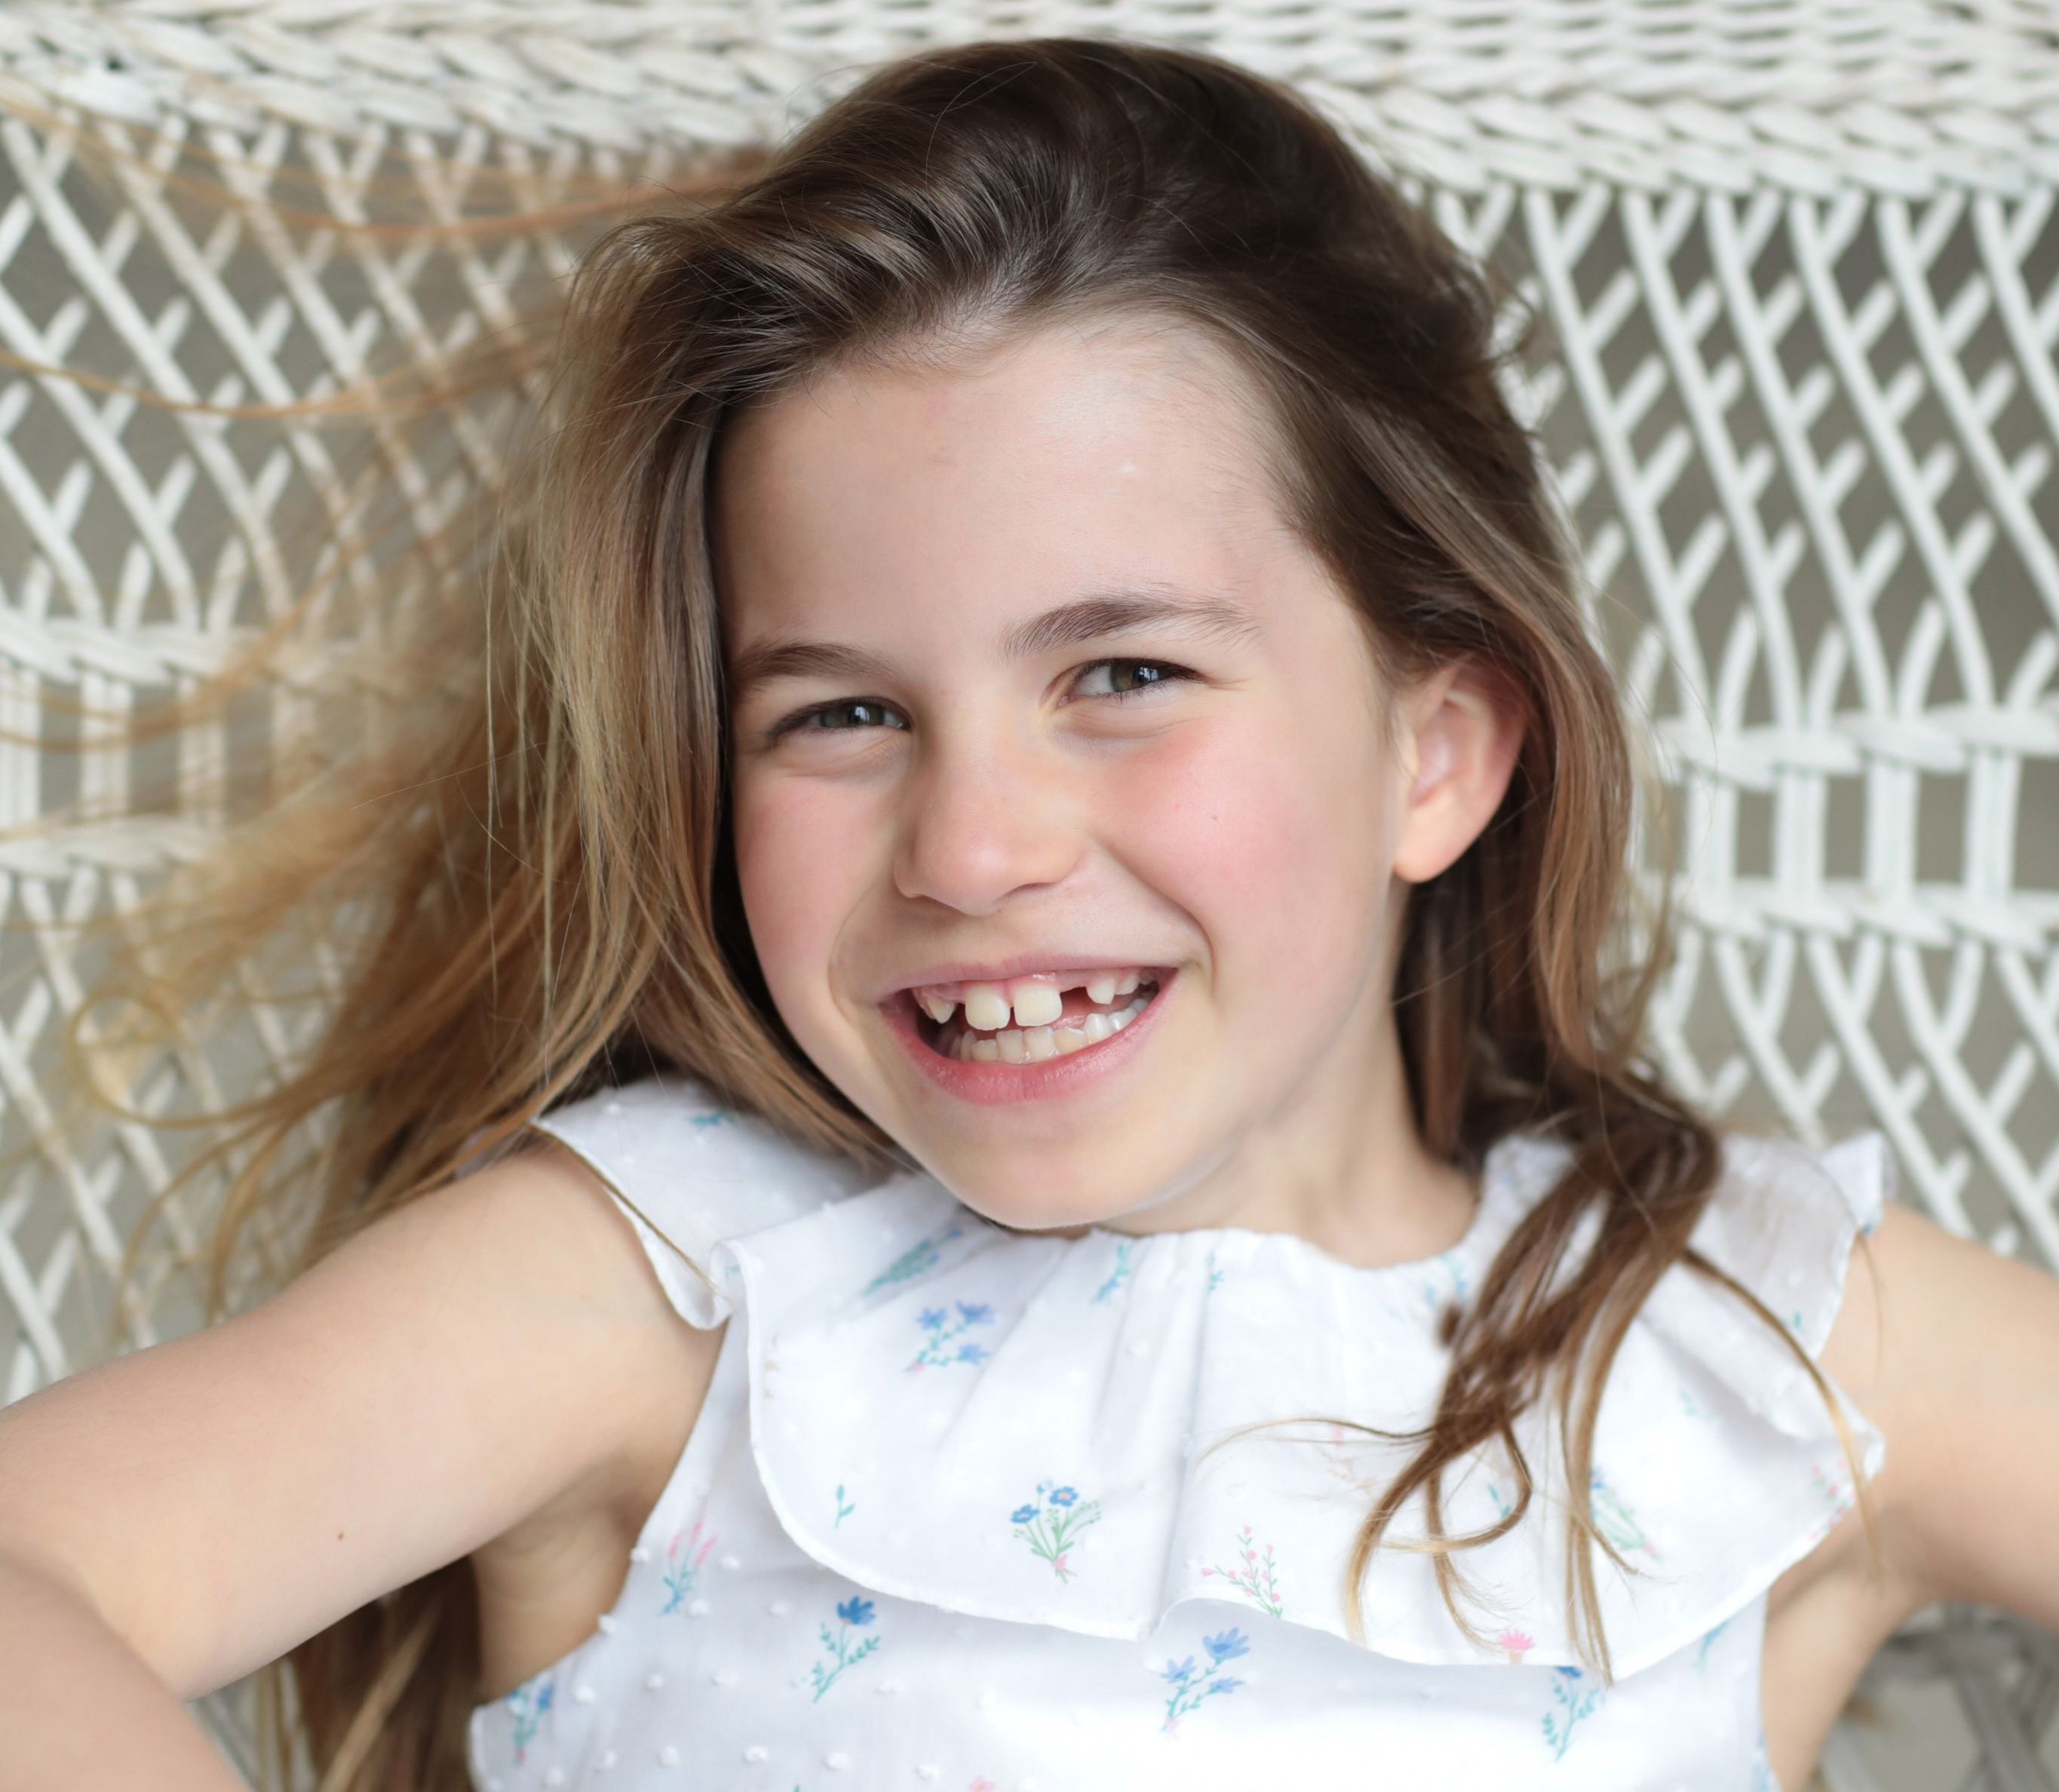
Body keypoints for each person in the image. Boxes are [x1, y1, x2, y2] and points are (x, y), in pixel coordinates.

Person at [0, 33, 2054, 1792]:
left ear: (1434, 752)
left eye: (1123, 677)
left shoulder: (1754, 1340)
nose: (970, 848)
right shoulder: (674, 1292)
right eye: (839, 713)